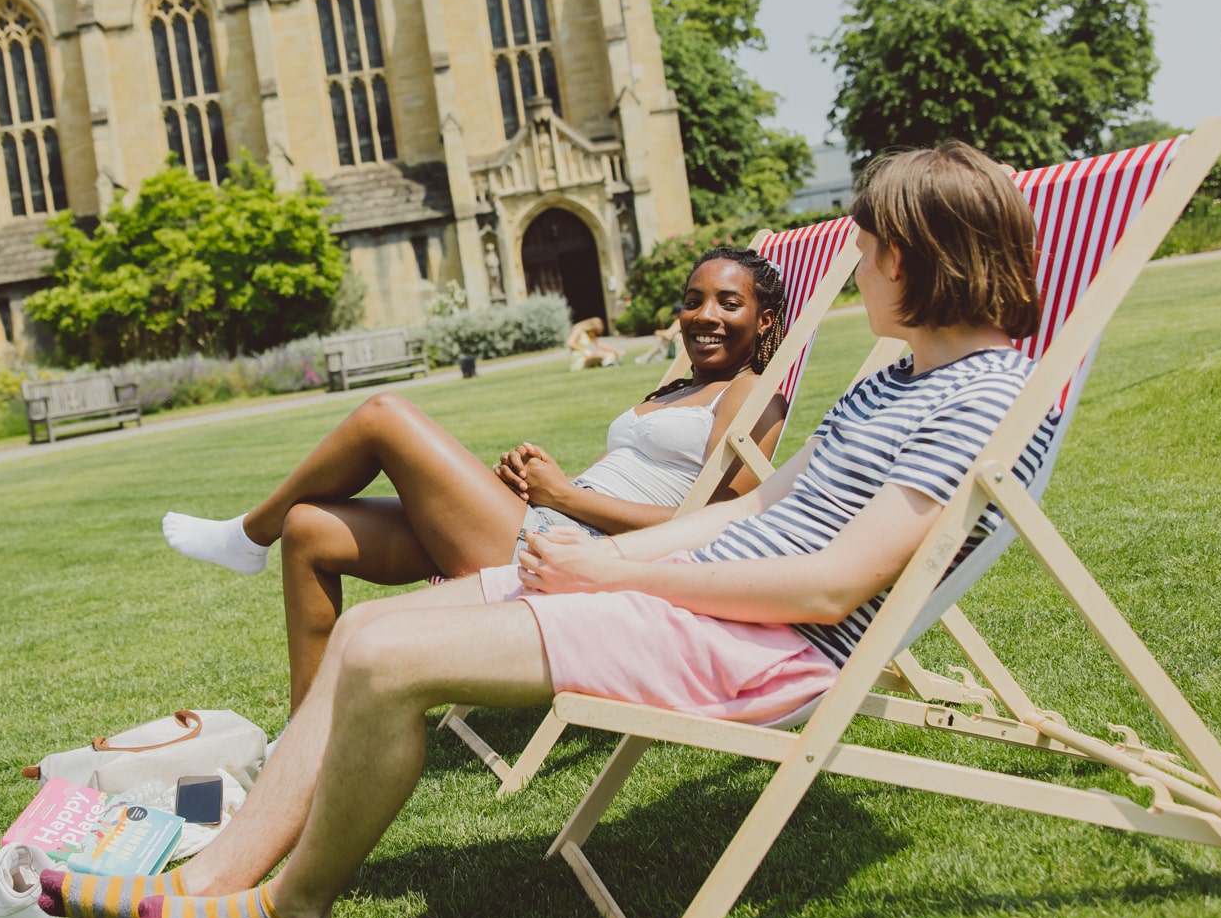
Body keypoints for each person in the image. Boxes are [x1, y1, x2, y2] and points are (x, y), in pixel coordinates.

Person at [40, 139, 1062, 918]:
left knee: (392, 665)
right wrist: (606, 551)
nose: (859, 264)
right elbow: (751, 512)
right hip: (701, 600)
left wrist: (619, 569)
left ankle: (289, 911)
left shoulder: (981, 397)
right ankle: (207, 877)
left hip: (762, 642)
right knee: (365, 625)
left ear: (914, 257)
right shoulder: (891, 381)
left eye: (870, 244)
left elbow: (836, 581)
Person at [162, 248, 791, 710]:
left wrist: (563, 496)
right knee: (311, 530)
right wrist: (537, 485)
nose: (704, 315)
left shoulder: (749, 393)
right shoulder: (682, 386)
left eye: (728, 303)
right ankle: (307, 732)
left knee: (385, 416)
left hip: (574, 560)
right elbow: (628, 482)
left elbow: (713, 529)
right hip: (554, 522)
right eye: (694, 299)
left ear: (764, 322)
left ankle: (248, 535)